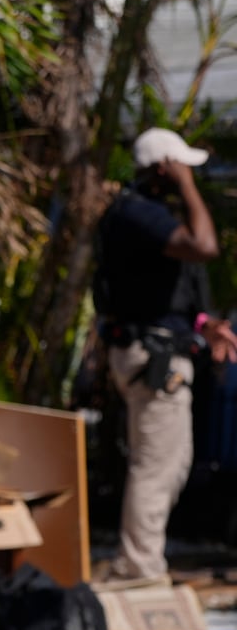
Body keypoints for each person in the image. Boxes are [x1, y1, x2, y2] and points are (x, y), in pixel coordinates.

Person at [94, 127, 237, 584]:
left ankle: (141, 560)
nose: (188, 176)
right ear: (163, 169)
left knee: (171, 463)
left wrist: (203, 324)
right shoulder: (137, 213)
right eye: (181, 168)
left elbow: (158, 294)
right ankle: (138, 568)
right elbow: (204, 247)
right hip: (151, 359)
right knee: (155, 465)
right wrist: (190, 187)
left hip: (157, 350)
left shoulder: (146, 216)